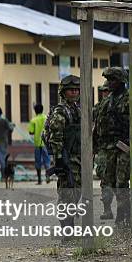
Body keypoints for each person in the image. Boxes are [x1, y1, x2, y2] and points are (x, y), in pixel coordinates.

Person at [94, 67, 132, 227]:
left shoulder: (131, 100)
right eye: (108, 80)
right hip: (108, 149)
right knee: (108, 182)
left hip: (125, 148)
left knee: (121, 183)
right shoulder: (106, 102)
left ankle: (124, 215)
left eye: (112, 80)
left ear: (121, 81)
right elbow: (98, 125)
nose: (109, 83)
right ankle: (118, 213)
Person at [46, 75, 81, 228]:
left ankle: (70, 226)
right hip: (66, 158)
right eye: (70, 90)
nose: (74, 93)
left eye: (76, 90)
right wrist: (59, 158)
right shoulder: (60, 111)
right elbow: (56, 136)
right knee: (66, 194)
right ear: (63, 92)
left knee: (76, 193)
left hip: (78, 158)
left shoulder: (76, 110)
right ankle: (66, 229)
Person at [93, 82, 113, 220]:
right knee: (104, 179)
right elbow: (95, 128)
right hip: (103, 149)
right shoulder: (98, 108)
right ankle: (108, 210)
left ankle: (125, 213)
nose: (104, 93)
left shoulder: (118, 105)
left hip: (118, 148)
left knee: (120, 181)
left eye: (107, 91)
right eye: (103, 91)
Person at [28, 103, 50, 185]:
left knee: (38, 161)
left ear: (35, 111)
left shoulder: (33, 120)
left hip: (37, 143)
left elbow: (31, 132)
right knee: (47, 160)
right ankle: (48, 177)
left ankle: (39, 180)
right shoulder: (46, 118)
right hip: (45, 143)